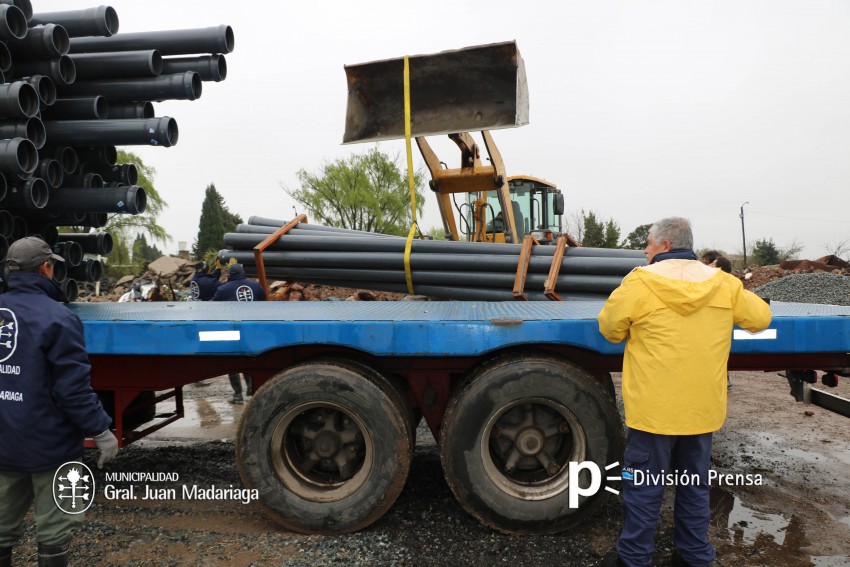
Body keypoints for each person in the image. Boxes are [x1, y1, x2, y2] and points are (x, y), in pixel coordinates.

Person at [597, 218, 771, 567]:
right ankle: (693, 556)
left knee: (644, 488)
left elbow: (610, 330)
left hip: (653, 412)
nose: (644, 250)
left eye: (648, 243)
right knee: (694, 486)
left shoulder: (639, 281)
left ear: (664, 245)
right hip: (701, 412)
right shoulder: (723, 283)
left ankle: (634, 558)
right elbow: (760, 319)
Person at [0, 237, 119, 567]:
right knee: (55, 531)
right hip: (51, 447)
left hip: (3, 444)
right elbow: (72, 391)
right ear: (45, 269)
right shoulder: (59, 318)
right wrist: (101, 430)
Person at [212, 263, 266, 403]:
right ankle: (252, 389)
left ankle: (238, 395)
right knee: (250, 359)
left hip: (232, 330)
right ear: (243, 273)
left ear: (229, 275)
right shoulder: (256, 286)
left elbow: (212, 307)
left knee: (232, 362)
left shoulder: (223, 289)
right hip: (253, 330)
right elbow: (265, 303)